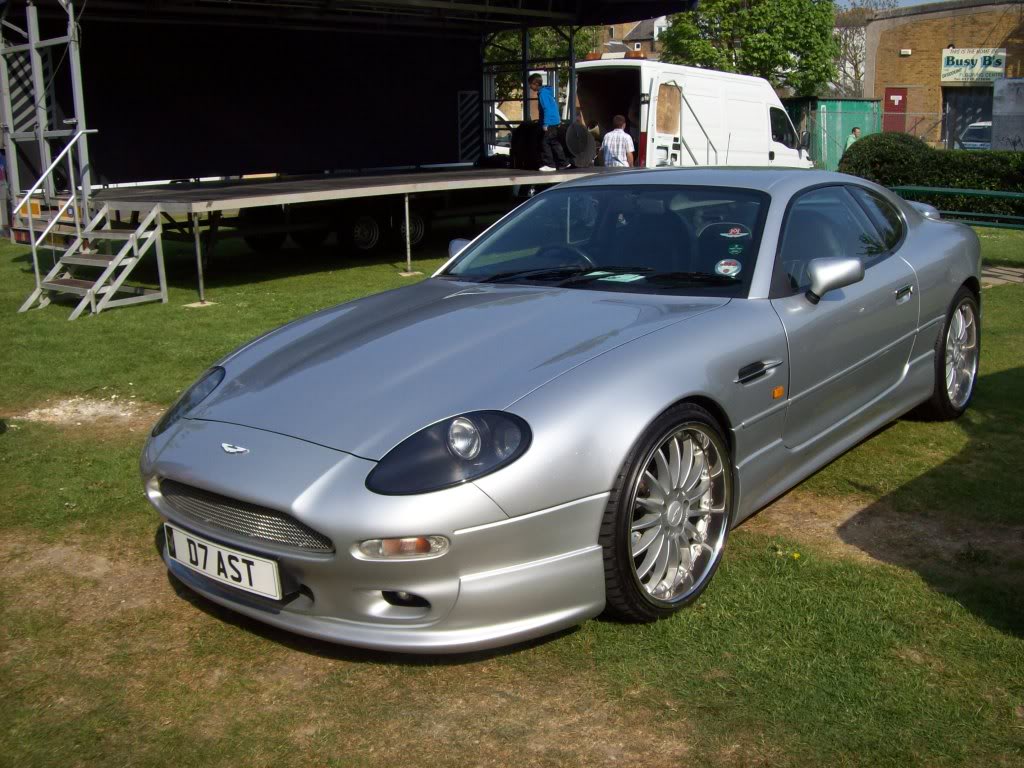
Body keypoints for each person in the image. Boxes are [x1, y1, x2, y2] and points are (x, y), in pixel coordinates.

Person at [528, 73, 567, 171]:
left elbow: (547, 109)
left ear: (536, 84)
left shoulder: (543, 94)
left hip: (549, 122)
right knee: (554, 142)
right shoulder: (546, 92)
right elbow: (553, 107)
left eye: (530, 84)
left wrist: (545, 124)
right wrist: (558, 120)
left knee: (545, 142)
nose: (530, 86)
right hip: (554, 121)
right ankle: (564, 162)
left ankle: (550, 164)